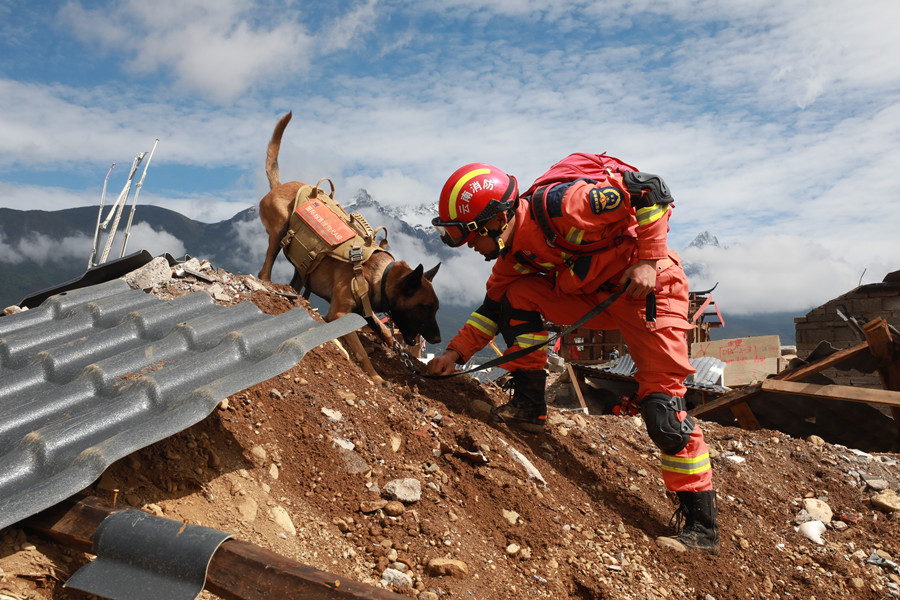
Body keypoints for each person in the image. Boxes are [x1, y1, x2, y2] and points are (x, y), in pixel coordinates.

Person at [425, 154, 719, 554]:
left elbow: (649, 188)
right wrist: (455, 354)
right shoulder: (512, 257)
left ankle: (702, 530)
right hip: (594, 295)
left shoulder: (565, 204)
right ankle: (530, 406)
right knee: (514, 296)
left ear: (495, 220)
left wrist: (649, 259)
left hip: (649, 291)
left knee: (663, 414)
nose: (470, 248)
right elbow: (491, 309)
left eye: (470, 237)